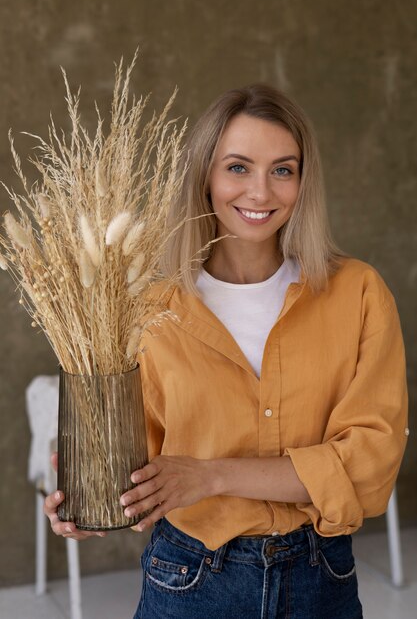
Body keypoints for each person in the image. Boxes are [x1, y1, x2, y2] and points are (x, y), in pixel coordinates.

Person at [44, 84, 408, 619]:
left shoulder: (358, 293)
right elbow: (143, 470)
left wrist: (211, 475)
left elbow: (371, 467)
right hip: (190, 580)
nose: (260, 192)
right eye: (238, 167)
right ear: (204, 177)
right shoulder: (143, 311)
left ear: (303, 181)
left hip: (321, 580)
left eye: (282, 169)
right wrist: (90, 501)